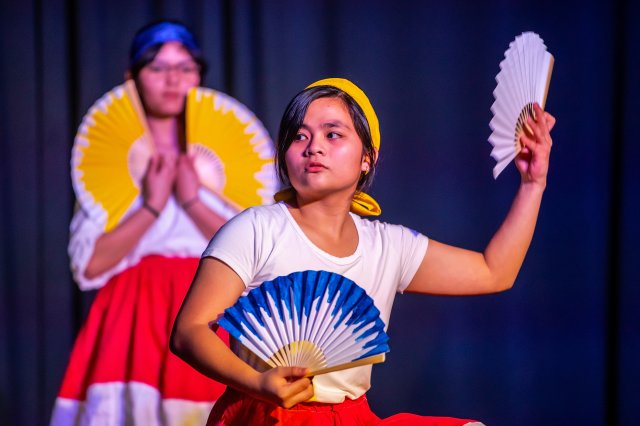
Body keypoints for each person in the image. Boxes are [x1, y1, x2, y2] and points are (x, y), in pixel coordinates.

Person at [170, 78, 556, 425]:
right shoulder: (256, 228)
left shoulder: (388, 246)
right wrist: (257, 383)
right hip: (263, 414)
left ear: (367, 158)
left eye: (333, 134)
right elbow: (188, 331)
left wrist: (532, 184)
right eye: (299, 136)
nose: (314, 147)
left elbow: (494, 272)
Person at [51, 21, 241, 425]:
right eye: (157, 67)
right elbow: (88, 266)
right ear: (132, 77)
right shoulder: (107, 163)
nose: (173, 80)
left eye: (185, 67)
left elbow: (253, 251)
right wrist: (151, 206)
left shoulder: (229, 160)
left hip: (207, 310)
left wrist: (192, 201)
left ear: (199, 76)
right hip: (131, 320)